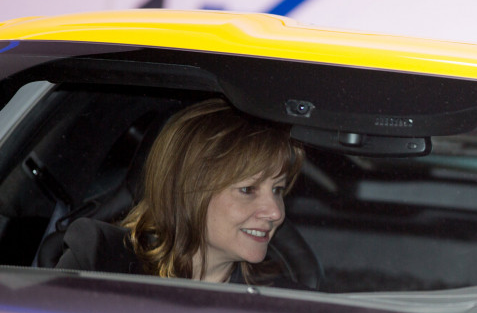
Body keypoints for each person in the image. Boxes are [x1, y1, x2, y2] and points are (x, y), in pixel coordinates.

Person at [55, 97, 307, 287]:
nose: (275, 211)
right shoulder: (100, 261)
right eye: (247, 189)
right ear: (187, 190)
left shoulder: (287, 303)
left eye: (277, 189)